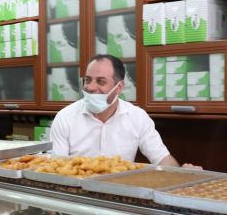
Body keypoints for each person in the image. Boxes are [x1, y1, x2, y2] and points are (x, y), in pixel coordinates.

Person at [51, 54, 184, 167]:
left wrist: (184, 173)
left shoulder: (137, 117)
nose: (91, 87)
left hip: (121, 188)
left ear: (119, 87)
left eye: (101, 81)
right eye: (88, 80)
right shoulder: (65, 117)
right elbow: (57, 167)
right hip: (75, 188)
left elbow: (162, 158)